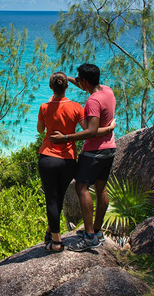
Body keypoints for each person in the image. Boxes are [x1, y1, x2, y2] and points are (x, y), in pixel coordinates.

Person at [37, 72, 115, 252]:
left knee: (51, 199)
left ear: (51, 87)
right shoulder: (76, 107)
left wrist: (49, 108)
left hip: (48, 158)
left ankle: (56, 242)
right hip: (69, 160)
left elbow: (41, 130)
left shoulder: (44, 107)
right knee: (60, 197)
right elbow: (89, 130)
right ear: (67, 87)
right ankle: (52, 231)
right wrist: (109, 128)